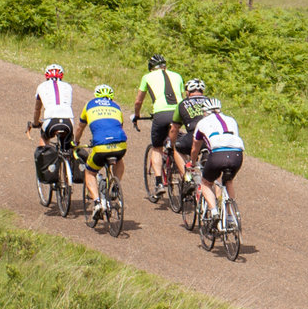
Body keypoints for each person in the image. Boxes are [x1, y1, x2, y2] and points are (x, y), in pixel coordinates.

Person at [78, 84, 133, 217]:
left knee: (90, 172)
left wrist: (76, 142)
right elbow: (119, 126)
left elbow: (80, 127)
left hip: (101, 146)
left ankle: (97, 203)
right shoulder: (116, 107)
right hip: (120, 144)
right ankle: (115, 185)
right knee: (119, 160)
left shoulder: (89, 105)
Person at [191, 99, 244, 228]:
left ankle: (214, 211)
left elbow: (195, 148)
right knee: (228, 181)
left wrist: (192, 162)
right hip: (237, 154)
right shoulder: (231, 120)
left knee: (205, 183)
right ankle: (231, 216)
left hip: (217, 155)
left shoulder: (202, 123)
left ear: (205, 112)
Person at [27, 65, 78, 193]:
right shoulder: (68, 86)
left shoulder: (41, 87)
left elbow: (37, 109)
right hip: (68, 121)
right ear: (62, 76)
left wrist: (35, 123)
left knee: (44, 138)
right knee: (67, 145)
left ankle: (47, 167)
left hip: (51, 120)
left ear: (46, 76)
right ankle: (68, 176)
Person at [138, 54, 185, 186]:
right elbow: (181, 96)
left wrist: (136, 115)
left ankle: (159, 182)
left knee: (157, 148)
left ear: (151, 68)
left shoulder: (147, 77)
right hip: (179, 112)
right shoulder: (177, 76)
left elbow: (138, 101)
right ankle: (186, 177)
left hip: (161, 112)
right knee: (176, 145)